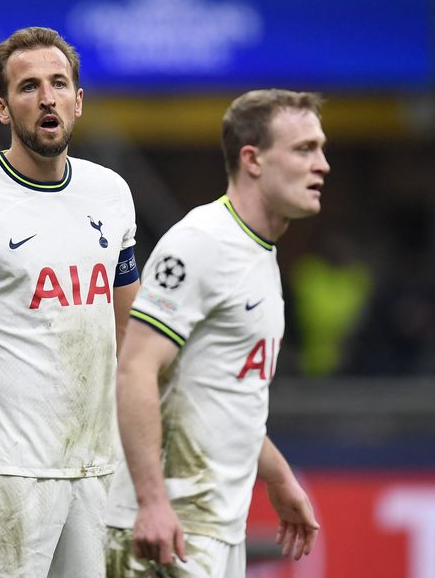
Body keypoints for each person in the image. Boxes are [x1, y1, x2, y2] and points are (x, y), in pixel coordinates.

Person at [0, 26, 140, 577]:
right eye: (28, 87)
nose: (47, 98)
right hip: (8, 473)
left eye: (59, 84)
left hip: (96, 468)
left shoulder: (111, 193)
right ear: (2, 107)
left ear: (78, 101)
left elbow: (132, 335)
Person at [104, 89, 329, 578]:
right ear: (252, 159)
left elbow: (222, 396)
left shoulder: (260, 253)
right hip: (169, 529)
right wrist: (152, 503)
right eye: (304, 149)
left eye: (322, 148)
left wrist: (278, 475)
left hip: (217, 527)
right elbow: (136, 369)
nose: (323, 165)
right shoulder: (201, 243)